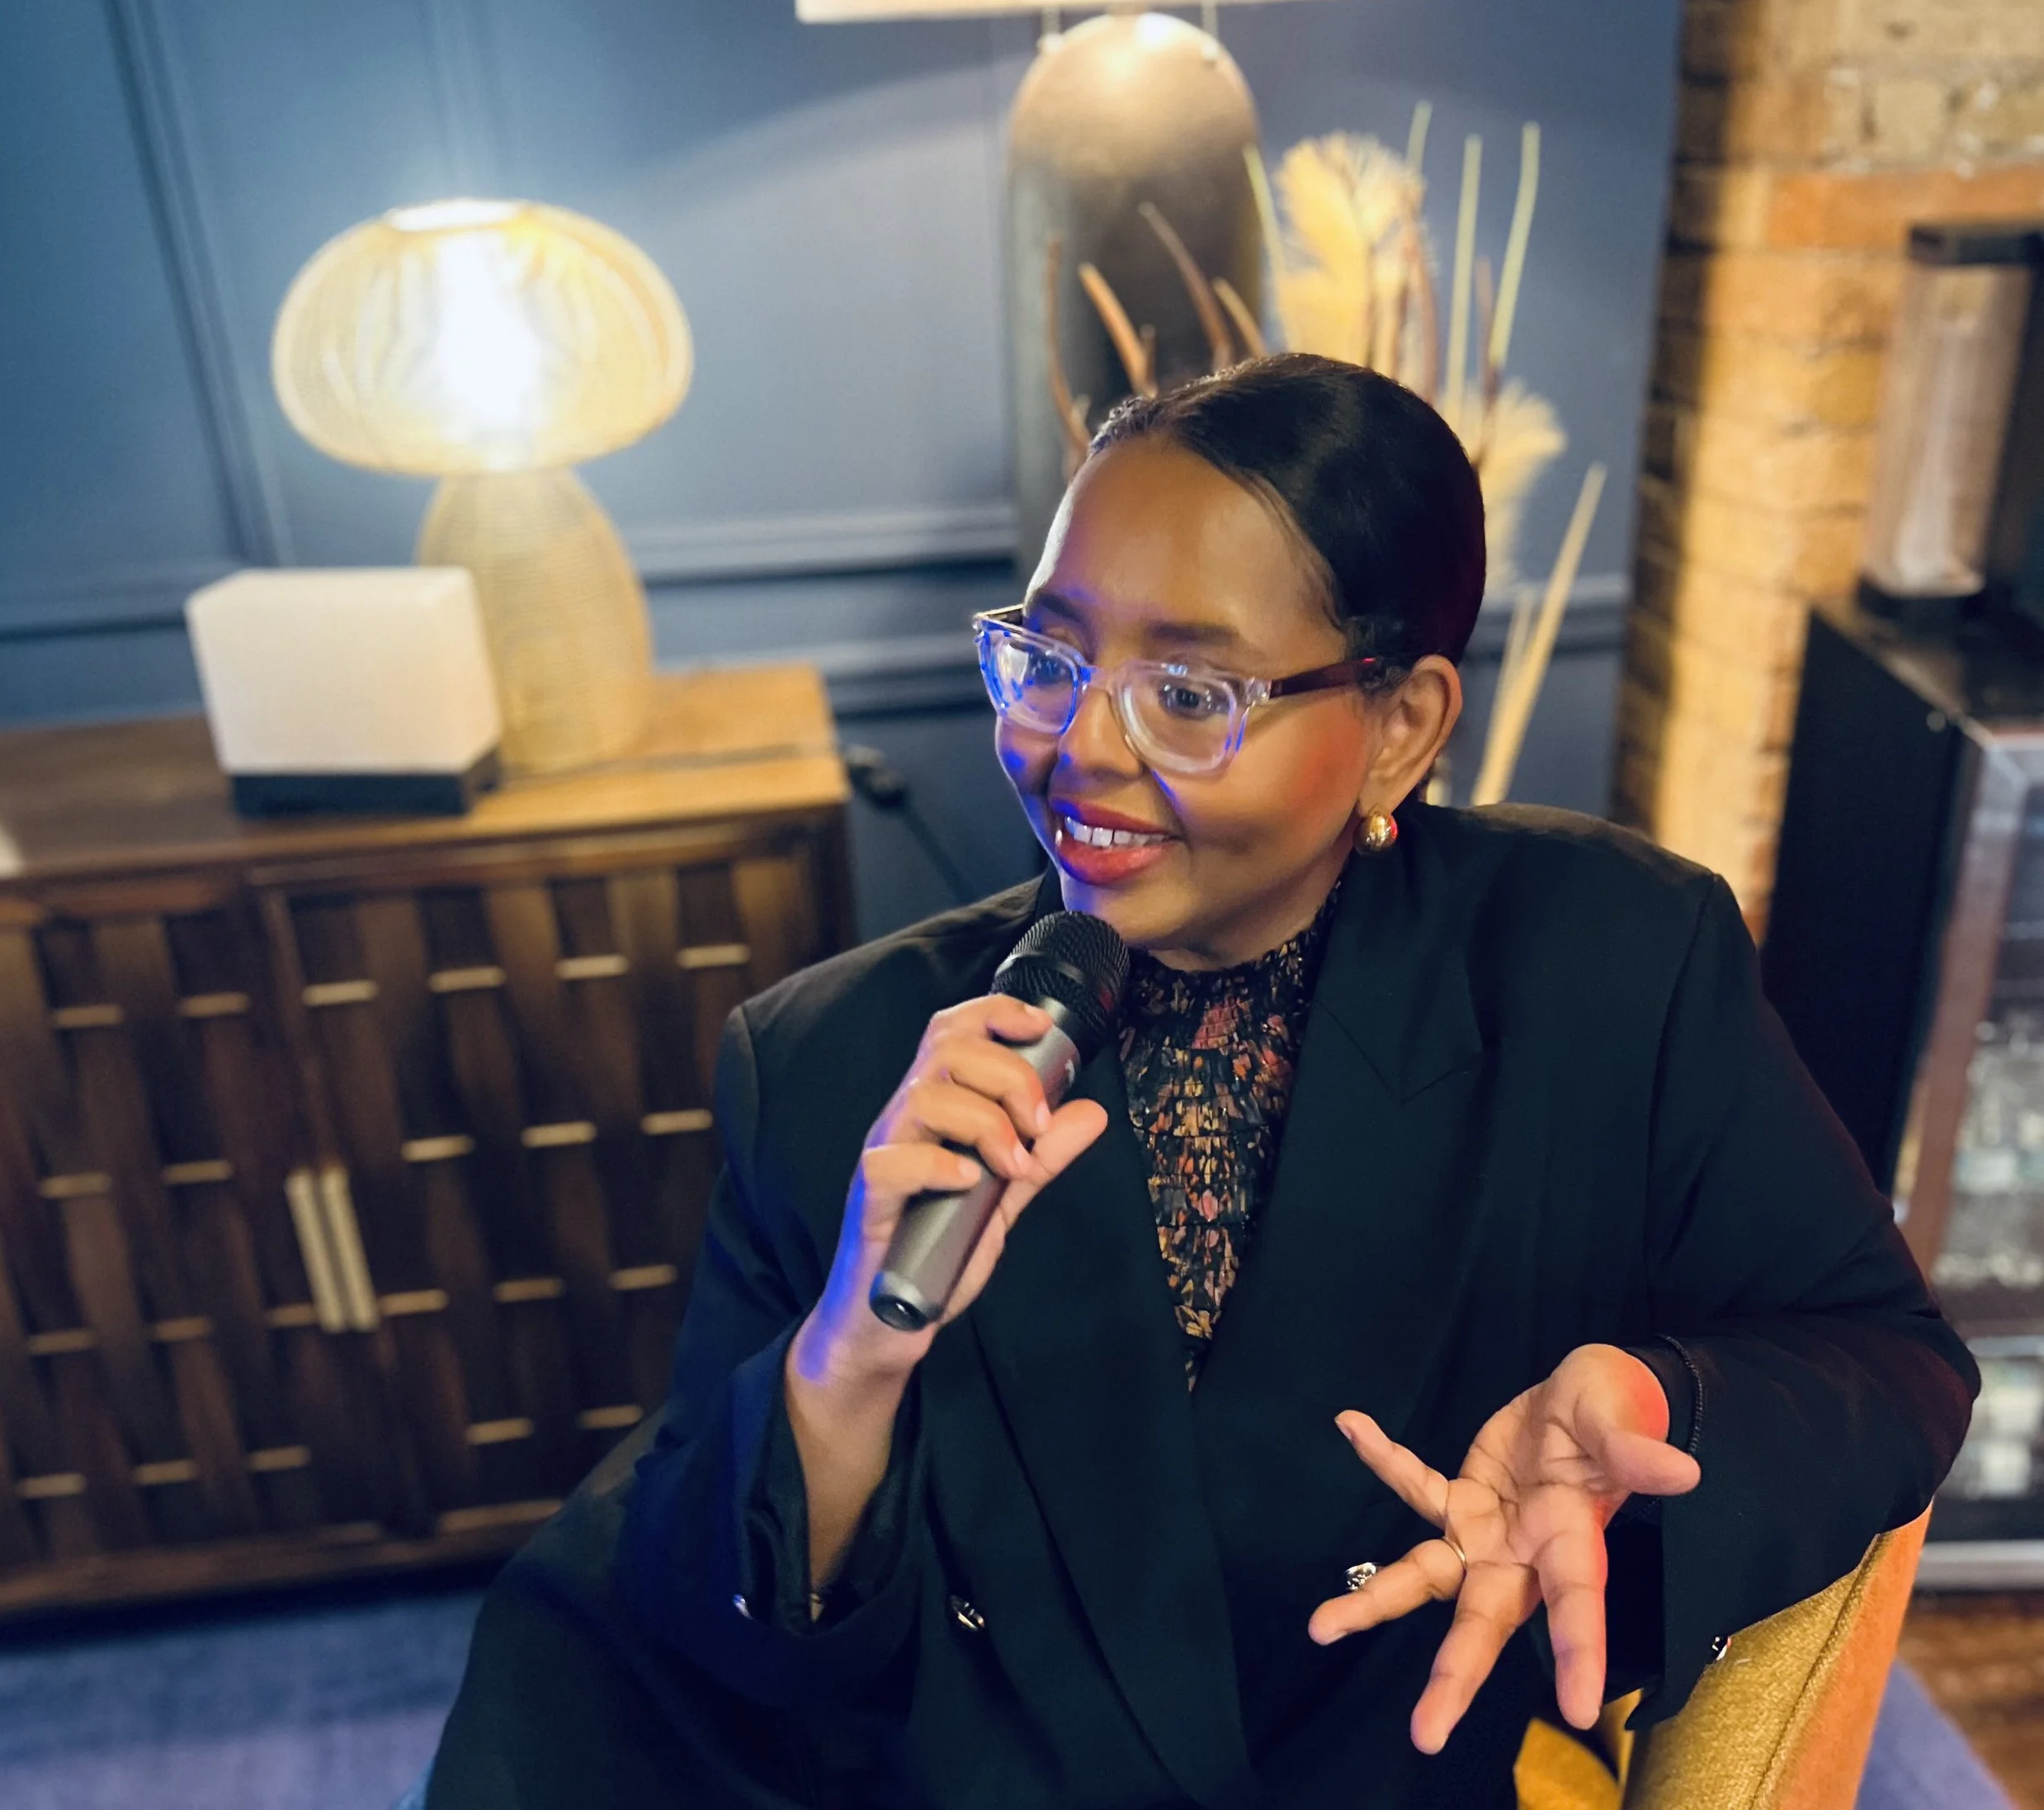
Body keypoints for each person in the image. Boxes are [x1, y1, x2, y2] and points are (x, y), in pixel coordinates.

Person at [427, 355, 1977, 1810]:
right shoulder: (832, 1061)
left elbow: (1884, 1360)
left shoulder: (1606, 967)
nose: (1076, 750)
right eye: (1046, 657)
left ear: (1400, 726)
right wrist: (849, 1362)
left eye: (1189, 693)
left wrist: (1656, 1399)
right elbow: (707, 1640)